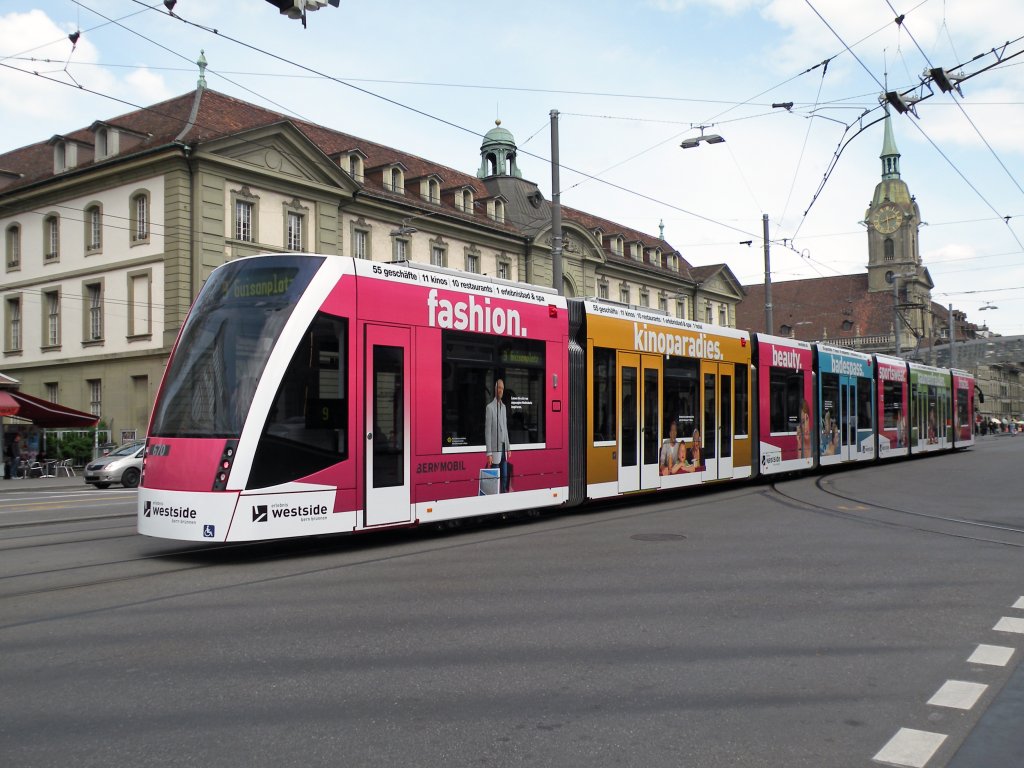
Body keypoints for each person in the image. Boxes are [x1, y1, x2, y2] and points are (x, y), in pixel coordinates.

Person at [485, 378, 511, 493]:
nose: (501, 391)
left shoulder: (504, 407)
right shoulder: (489, 408)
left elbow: (505, 428)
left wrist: (509, 447)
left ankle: (504, 496)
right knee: (495, 478)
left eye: (502, 389)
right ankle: (494, 498)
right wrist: (489, 453)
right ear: (495, 389)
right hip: (495, 450)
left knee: (505, 477)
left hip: (504, 448)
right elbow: (488, 431)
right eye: (499, 388)